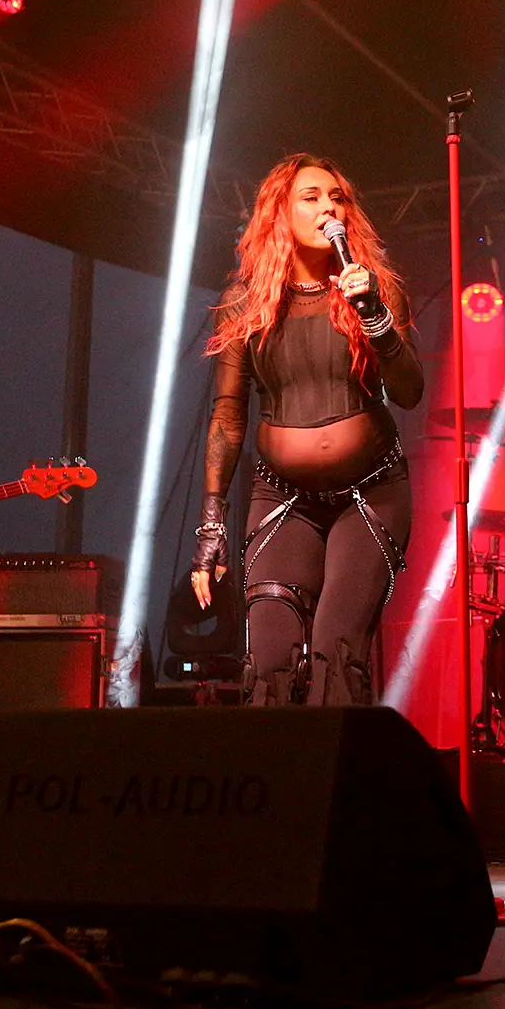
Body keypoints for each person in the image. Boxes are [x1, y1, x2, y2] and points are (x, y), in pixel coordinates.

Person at [190, 156, 424, 706]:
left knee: (335, 649)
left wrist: (372, 315)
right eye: (312, 197)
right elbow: (228, 415)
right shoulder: (245, 303)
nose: (328, 209)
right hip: (281, 497)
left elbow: (410, 391)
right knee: (270, 656)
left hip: (370, 493)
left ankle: (341, 761)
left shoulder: (376, 289)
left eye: (337, 198)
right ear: (280, 213)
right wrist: (211, 525)